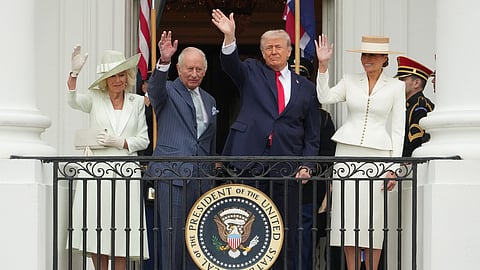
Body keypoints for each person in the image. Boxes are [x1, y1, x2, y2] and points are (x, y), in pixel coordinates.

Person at [211, 9, 321, 270]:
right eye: (268, 48)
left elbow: (312, 135)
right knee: (251, 227)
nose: (273, 51)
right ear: (262, 53)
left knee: (286, 230)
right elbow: (230, 65)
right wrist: (230, 37)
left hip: (288, 167)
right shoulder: (251, 72)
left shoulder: (306, 87)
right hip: (251, 163)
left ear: (289, 50)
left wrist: (307, 165)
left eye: (278, 47)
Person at [315, 34, 405, 270]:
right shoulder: (349, 80)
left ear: (385, 58)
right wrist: (323, 66)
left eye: (373, 55)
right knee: (347, 217)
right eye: (365, 54)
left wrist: (394, 168)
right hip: (346, 152)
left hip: (378, 158)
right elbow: (325, 97)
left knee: (373, 221)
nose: (367, 59)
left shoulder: (396, 86)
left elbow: (398, 130)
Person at [66, 46, 150, 270]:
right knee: (97, 226)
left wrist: (120, 142)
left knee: (123, 227)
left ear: (128, 77)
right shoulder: (95, 98)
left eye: (121, 74)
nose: (117, 79)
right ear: (105, 79)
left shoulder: (137, 102)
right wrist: (74, 74)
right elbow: (72, 101)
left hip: (126, 173)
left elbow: (144, 140)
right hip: (96, 173)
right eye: (112, 75)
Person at [145, 31, 217, 270]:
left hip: (202, 179)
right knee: (173, 239)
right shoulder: (166, 91)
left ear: (205, 72)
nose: (194, 74)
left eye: (199, 69)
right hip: (173, 176)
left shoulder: (210, 100)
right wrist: (163, 61)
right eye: (189, 69)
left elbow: (207, 141)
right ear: (178, 69)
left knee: (199, 240)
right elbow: (154, 89)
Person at [394, 56, 435, 157]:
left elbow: (415, 142)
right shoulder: (409, 105)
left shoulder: (420, 106)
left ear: (416, 83)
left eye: (402, 80)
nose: (398, 83)